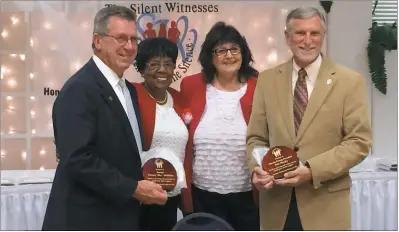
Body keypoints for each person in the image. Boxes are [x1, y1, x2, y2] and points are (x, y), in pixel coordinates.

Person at [42, 6, 167, 230]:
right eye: (120, 38)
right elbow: (78, 158)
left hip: (120, 216)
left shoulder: (128, 89)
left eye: (133, 39)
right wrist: (132, 189)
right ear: (97, 41)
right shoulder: (79, 89)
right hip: (87, 219)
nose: (129, 47)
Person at [246, 7, 372, 230]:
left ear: (323, 36)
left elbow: (358, 142)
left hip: (326, 206)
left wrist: (312, 170)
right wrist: (257, 166)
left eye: (314, 33)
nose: (307, 41)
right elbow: (256, 138)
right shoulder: (266, 80)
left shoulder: (349, 81)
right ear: (287, 37)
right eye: (300, 33)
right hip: (276, 205)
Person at [180, 21, 260, 230]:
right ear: (210, 55)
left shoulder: (260, 85)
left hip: (247, 195)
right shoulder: (191, 86)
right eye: (221, 50)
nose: (229, 55)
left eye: (235, 49)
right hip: (203, 195)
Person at [132, 37, 188, 231]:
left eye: (168, 64)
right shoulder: (131, 95)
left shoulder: (179, 98)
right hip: (140, 197)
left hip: (172, 196)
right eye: (154, 64)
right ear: (141, 68)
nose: (162, 70)